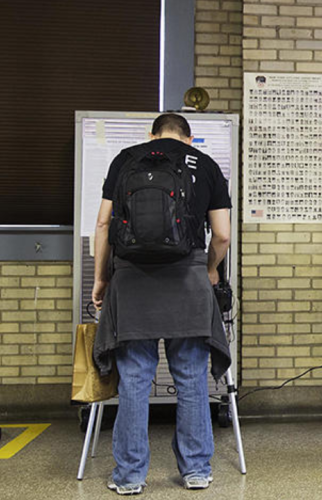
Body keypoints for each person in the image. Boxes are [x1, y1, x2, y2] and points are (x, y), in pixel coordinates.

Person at [91, 113, 232, 495]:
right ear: (189, 138)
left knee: (135, 379)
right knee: (190, 378)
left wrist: (102, 277)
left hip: (132, 282)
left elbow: (103, 225)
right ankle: (196, 470)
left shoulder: (127, 158)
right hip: (187, 281)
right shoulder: (204, 164)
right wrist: (209, 270)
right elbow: (221, 235)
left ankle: (130, 476)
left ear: (152, 135)